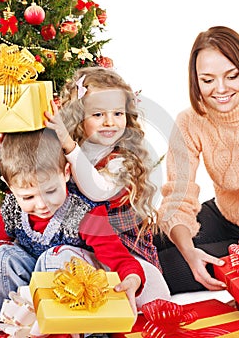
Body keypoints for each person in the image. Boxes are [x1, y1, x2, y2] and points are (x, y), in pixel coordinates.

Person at [0, 128, 147, 326]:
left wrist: (132, 279)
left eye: (51, 191)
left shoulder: (82, 211)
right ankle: (21, 323)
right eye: (28, 197)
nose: (41, 204)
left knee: (54, 256)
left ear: (66, 173)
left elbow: (118, 257)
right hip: (32, 293)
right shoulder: (13, 210)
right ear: (10, 188)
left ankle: (68, 328)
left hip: (77, 296)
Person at [44, 66, 171, 302]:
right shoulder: (68, 149)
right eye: (98, 114)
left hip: (121, 249)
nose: (109, 122)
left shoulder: (121, 159)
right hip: (81, 243)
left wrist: (69, 146)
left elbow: (97, 190)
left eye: (117, 114)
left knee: (152, 295)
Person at [157, 25, 239, 294]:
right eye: (208, 80)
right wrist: (190, 251)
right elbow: (178, 196)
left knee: (165, 268)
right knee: (151, 241)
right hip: (226, 212)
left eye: (232, 76)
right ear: (196, 80)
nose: (221, 89)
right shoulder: (190, 120)